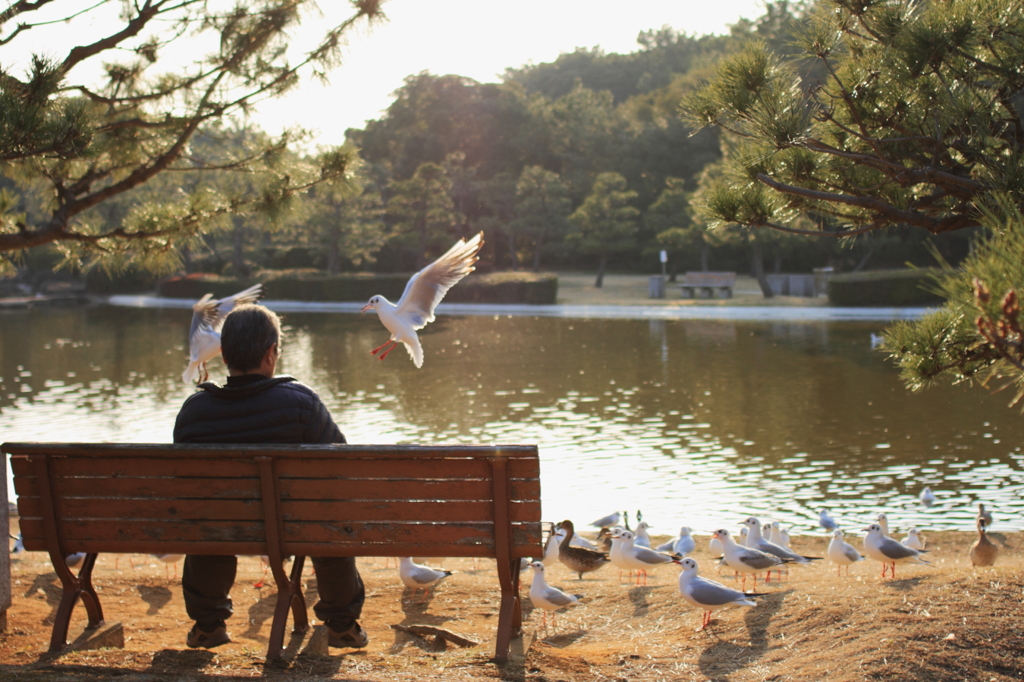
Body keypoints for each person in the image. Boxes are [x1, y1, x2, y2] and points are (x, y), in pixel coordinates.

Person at [173, 304, 367, 650]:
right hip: (296, 526)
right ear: (271, 353)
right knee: (328, 522)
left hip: (223, 527)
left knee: (209, 520)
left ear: (224, 355)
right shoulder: (301, 403)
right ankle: (341, 624)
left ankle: (207, 624)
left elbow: (189, 489)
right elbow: (342, 468)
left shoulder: (195, 411)